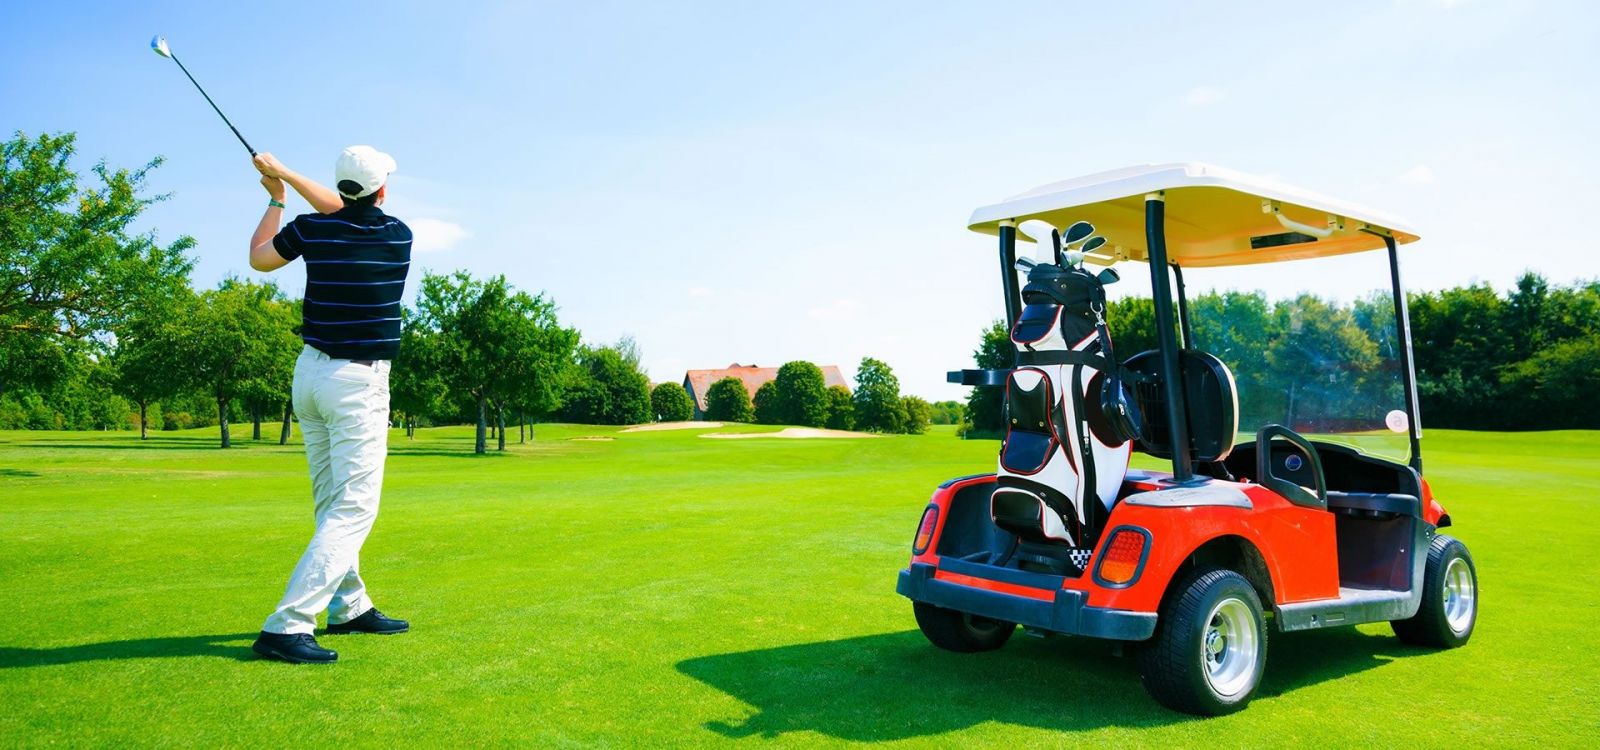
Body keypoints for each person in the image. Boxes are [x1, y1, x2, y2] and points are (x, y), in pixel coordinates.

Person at [246, 146, 413, 664]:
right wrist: (286, 176)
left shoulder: (311, 230)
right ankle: (288, 624)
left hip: (311, 377)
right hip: (357, 384)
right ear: (382, 191)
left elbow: (260, 258)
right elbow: (343, 208)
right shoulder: (397, 234)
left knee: (331, 501)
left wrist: (277, 195)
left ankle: (349, 605)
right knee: (354, 506)